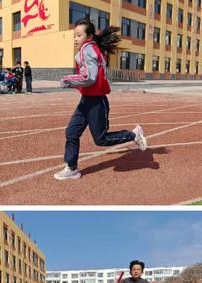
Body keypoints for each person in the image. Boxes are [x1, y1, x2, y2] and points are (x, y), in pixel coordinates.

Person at [54, 18, 147, 181]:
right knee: (72, 132)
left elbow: (90, 77)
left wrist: (68, 80)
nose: (75, 39)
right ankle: (72, 168)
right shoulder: (91, 49)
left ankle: (134, 135)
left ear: (89, 37)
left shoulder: (87, 50)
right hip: (87, 100)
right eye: (74, 35)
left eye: (78, 35)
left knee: (101, 139)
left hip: (96, 102)